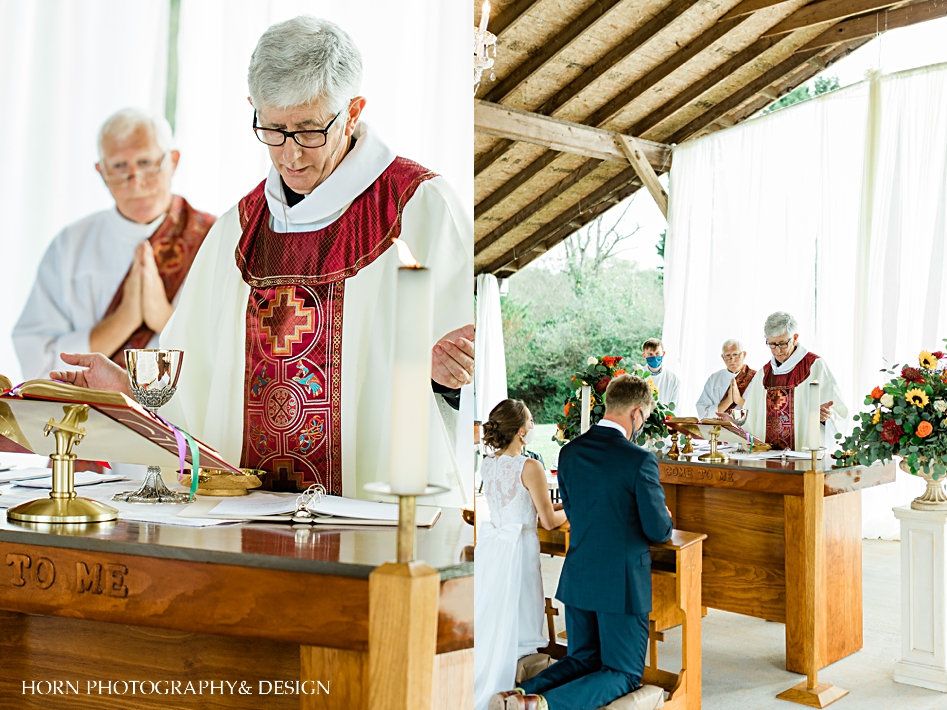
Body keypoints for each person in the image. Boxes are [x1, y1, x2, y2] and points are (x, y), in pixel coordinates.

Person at [50, 17, 473, 498]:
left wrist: (448, 381)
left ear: (353, 112)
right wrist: (129, 391)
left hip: (370, 526)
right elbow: (195, 396)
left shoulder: (418, 208)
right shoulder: (238, 230)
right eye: (273, 128)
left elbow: (467, 389)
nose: (290, 154)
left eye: (309, 130)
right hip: (250, 531)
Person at [492, 375, 673, 710]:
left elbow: (574, 511)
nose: (642, 424)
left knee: (581, 660)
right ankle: (540, 704)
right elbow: (658, 530)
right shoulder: (639, 459)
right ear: (636, 413)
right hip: (621, 584)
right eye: (644, 417)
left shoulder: (570, 452)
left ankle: (514, 696)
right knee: (623, 671)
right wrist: (664, 513)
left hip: (578, 575)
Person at [13, 109, 215, 379]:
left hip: (178, 420)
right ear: (101, 172)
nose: (135, 180)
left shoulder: (214, 238)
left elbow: (229, 361)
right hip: (86, 416)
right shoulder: (70, 245)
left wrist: (164, 319)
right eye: (120, 166)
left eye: (145, 162)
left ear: (173, 161)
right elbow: (38, 365)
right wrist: (122, 321)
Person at [475, 399, 567, 710]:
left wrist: (556, 506)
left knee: (501, 614)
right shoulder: (530, 466)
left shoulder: (488, 464)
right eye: (528, 422)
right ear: (520, 431)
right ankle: (523, 684)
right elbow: (549, 521)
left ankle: (510, 674)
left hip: (496, 548)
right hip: (522, 549)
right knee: (525, 618)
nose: (531, 427)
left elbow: (524, 505)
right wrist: (579, 506)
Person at [742, 311, 847, 450]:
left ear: (795, 337)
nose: (777, 351)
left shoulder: (815, 366)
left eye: (782, 343)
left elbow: (839, 413)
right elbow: (750, 420)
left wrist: (825, 418)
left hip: (802, 458)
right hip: (767, 459)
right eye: (772, 344)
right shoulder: (763, 374)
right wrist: (733, 424)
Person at [695, 339, 756, 419]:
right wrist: (727, 402)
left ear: (744, 355)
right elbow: (703, 413)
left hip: (744, 430)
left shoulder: (756, 378)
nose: (732, 360)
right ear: (722, 357)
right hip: (717, 429)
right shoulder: (714, 379)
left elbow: (761, 412)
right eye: (728, 355)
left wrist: (739, 401)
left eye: (735, 354)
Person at [642, 338, 679, 409]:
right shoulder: (636, 377)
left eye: (657, 353)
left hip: (667, 419)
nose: (654, 357)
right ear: (644, 356)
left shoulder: (673, 379)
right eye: (650, 354)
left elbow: (675, 407)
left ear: (663, 354)